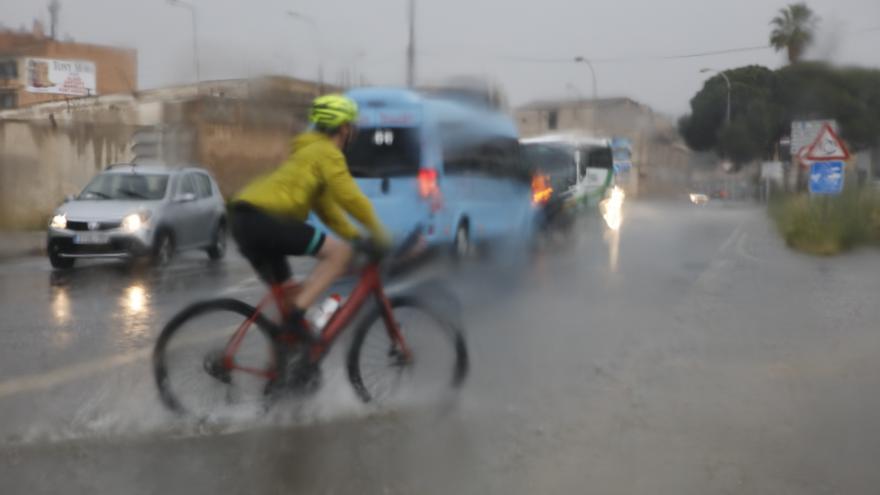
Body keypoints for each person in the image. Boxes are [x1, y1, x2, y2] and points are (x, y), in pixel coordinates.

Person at [229, 94, 391, 345]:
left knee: (290, 296)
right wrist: (380, 235)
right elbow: (352, 200)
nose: (352, 133)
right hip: (265, 219)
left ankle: (284, 370)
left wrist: (356, 236)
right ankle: (296, 318)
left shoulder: (309, 152)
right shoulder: (326, 153)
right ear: (344, 128)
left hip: (244, 219)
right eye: (352, 127)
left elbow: (328, 210)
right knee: (340, 254)